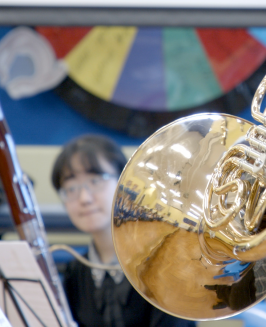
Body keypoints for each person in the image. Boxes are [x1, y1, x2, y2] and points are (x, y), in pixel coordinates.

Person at [51, 134, 195, 327]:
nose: (84, 198)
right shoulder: (75, 273)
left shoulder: (165, 267)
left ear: (124, 182)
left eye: (95, 181)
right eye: (71, 188)